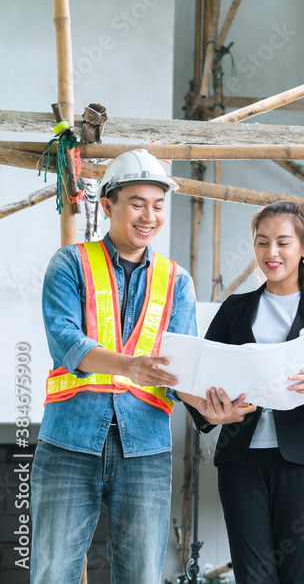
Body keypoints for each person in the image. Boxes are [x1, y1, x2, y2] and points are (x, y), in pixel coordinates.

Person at [183, 201, 304, 584]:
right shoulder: (236, 308)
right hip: (240, 461)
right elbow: (197, 377)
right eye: (262, 242)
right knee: (253, 576)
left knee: (298, 572)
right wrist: (210, 411)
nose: (271, 253)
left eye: (283, 242)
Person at [31, 148, 196, 582]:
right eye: (137, 204)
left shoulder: (177, 281)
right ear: (107, 205)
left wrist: (214, 403)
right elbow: (65, 340)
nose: (149, 216)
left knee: (140, 575)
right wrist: (130, 366)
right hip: (69, 441)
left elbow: (184, 366)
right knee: (53, 572)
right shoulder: (71, 264)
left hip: (145, 447)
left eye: (158, 206)